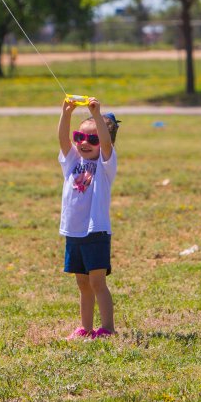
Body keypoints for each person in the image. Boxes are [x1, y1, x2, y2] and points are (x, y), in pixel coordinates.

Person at [56, 97, 120, 339]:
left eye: (92, 139)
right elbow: (63, 140)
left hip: (96, 231)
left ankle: (108, 328)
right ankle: (86, 328)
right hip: (74, 231)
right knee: (83, 284)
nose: (84, 143)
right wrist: (66, 113)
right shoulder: (73, 160)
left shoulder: (105, 165)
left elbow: (106, 143)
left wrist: (96, 115)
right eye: (80, 137)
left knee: (97, 283)